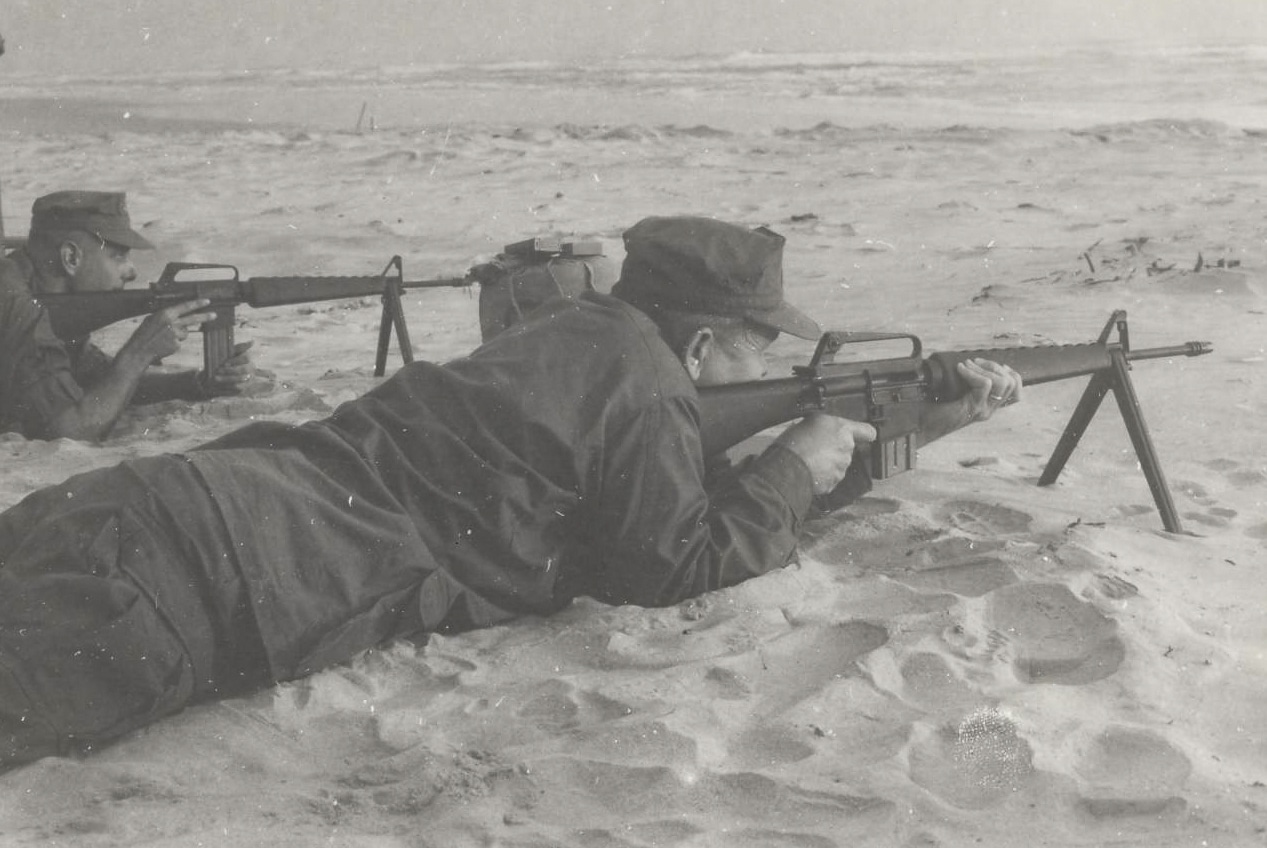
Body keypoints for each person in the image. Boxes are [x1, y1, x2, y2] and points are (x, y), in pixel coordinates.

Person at [0, 215, 1022, 769]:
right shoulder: (645, 389)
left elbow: (657, 491)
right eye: (762, 345)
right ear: (703, 342)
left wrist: (897, 435)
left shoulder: (577, 336)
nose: (771, 359)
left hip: (138, 506)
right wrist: (797, 460)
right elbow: (674, 562)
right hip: (186, 592)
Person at [0, 190, 257, 441]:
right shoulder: (15, 302)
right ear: (71, 257)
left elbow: (97, 381)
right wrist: (139, 352)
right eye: (118, 255)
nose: (132, 271)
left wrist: (198, 384)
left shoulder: (32, 290)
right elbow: (72, 431)